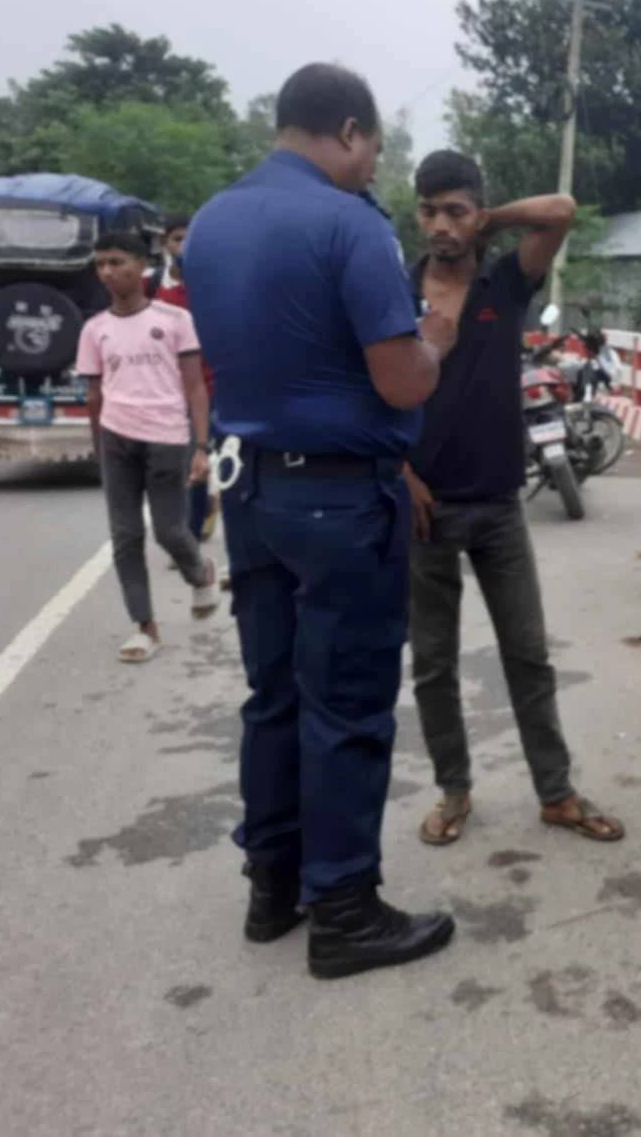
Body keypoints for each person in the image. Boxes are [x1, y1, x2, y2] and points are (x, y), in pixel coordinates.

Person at [183, 63, 459, 979]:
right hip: (339, 501)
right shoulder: (351, 225)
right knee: (345, 703)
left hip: (251, 492)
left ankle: (272, 885)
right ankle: (344, 909)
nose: (374, 165)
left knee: (274, 694)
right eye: (373, 147)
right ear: (347, 130)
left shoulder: (211, 223)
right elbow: (402, 381)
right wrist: (435, 340)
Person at [402, 150, 624, 848]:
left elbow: (561, 211)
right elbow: (367, 387)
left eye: (455, 211)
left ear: (478, 212)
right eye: (429, 211)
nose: (440, 225)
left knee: (528, 654)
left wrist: (488, 220)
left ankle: (556, 794)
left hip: (499, 504)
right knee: (433, 665)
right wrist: (397, 471)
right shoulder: (394, 290)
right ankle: (454, 791)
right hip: (424, 508)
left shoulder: (505, 280)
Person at [77, 232, 220, 662]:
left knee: (169, 530)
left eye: (116, 262)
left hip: (167, 437)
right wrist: (98, 448)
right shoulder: (94, 329)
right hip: (116, 438)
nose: (107, 272)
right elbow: (94, 395)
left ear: (141, 265)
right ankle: (145, 627)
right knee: (125, 536)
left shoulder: (175, 320)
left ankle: (200, 572)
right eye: (100, 264)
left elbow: (195, 387)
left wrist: (201, 446)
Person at [150, 214, 217, 542]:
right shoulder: (151, 286)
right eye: (178, 239)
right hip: (163, 390)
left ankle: (189, 535)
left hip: (207, 387)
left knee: (196, 459)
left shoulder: (213, 283)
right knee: (169, 467)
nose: (185, 246)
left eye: (192, 239)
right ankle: (198, 513)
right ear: (164, 243)